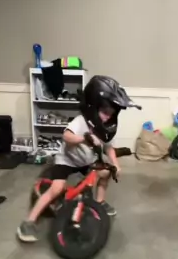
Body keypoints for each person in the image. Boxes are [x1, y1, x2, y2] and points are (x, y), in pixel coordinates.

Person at [17, 75, 139, 243]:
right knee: (57, 189)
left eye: (111, 114)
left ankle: (100, 202)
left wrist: (116, 164)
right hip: (67, 160)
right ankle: (29, 222)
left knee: (106, 172)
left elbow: (109, 147)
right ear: (94, 107)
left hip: (86, 161)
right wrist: (84, 139)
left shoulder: (104, 127)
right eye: (105, 112)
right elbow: (66, 136)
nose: (107, 117)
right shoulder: (81, 121)